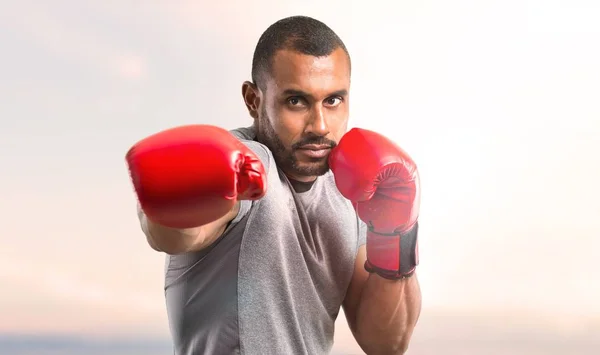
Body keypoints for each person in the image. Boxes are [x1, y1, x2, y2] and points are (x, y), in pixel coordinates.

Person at [126, 15, 421, 355]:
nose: (320, 125)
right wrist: (172, 196)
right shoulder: (247, 164)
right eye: (296, 101)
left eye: (333, 100)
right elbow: (175, 234)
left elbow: (386, 343)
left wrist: (395, 235)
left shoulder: (352, 193)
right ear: (253, 99)